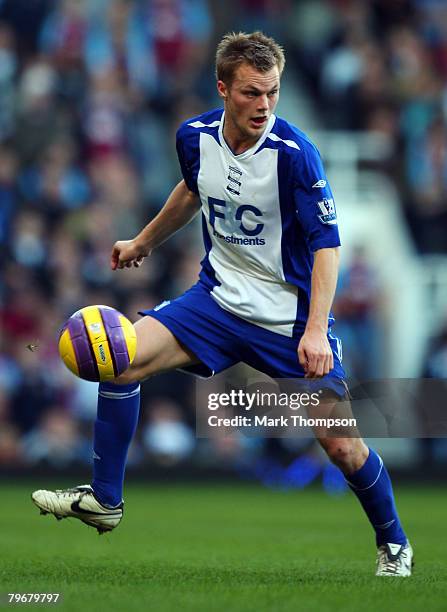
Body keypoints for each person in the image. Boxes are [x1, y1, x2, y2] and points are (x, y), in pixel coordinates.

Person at [32, 32, 412, 577]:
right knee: (122, 357)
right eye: (252, 93)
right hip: (216, 302)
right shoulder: (194, 136)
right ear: (223, 89)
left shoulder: (296, 155)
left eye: (273, 92)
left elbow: (328, 246)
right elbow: (193, 190)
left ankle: (394, 543)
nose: (264, 105)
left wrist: (314, 330)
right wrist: (143, 241)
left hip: (287, 320)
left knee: (342, 446)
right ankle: (106, 500)